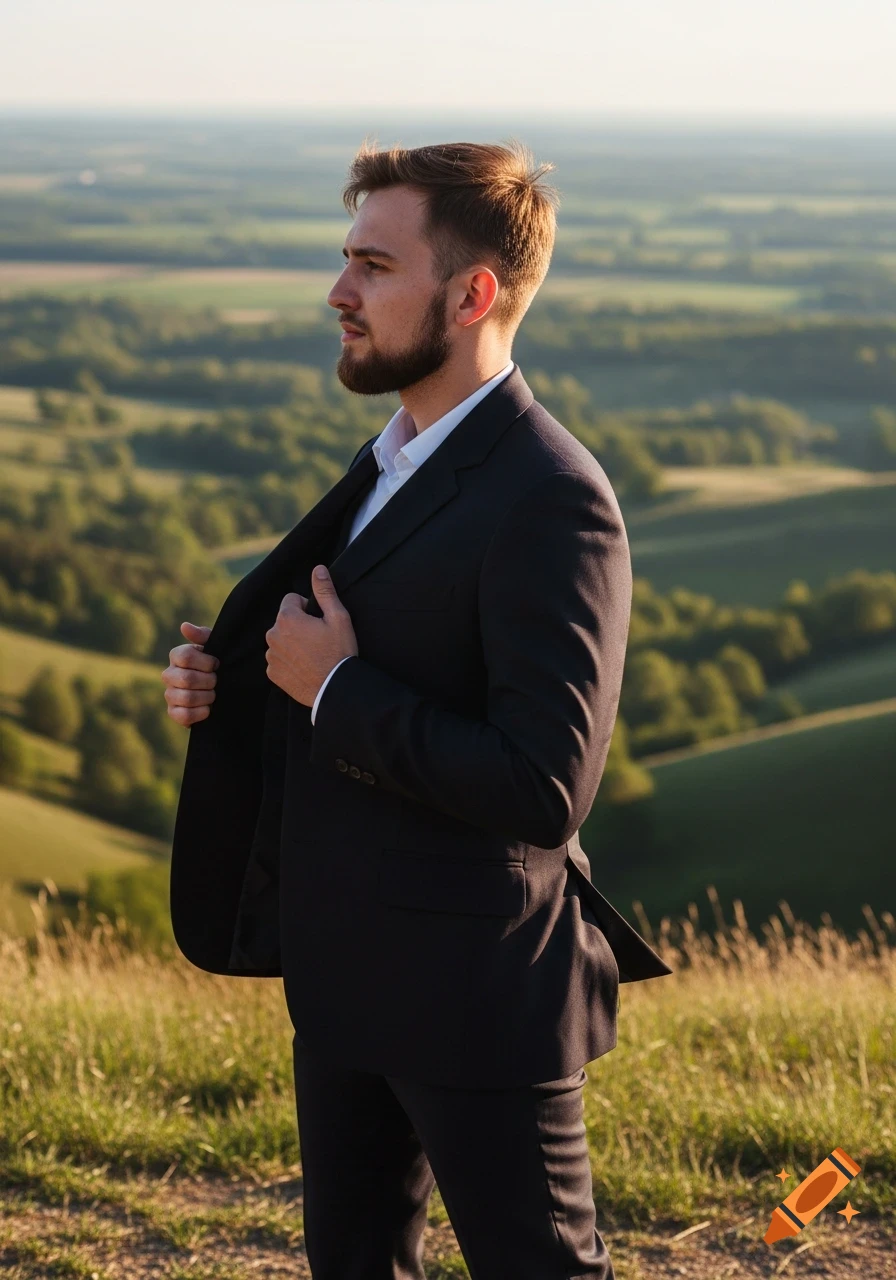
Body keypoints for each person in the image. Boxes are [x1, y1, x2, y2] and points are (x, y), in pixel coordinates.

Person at [163, 139, 672, 1280]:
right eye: (344, 258)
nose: (338, 291)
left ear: (471, 293)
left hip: (480, 995)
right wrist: (232, 691)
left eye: (372, 265)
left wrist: (336, 687)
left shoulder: (551, 496)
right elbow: (349, 655)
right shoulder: (393, 458)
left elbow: (543, 786)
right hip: (346, 974)